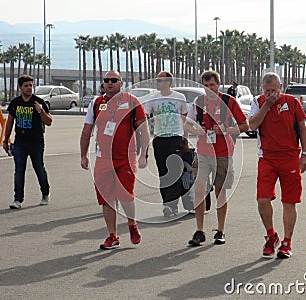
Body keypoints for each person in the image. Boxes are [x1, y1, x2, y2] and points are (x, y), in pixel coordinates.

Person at [80, 70, 150, 250]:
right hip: (103, 159)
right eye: (106, 80)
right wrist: (83, 155)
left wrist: (144, 154)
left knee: (125, 195)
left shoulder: (132, 102)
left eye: (113, 80)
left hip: (126, 157)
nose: (109, 83)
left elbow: (144, 130)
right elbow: (87, 130)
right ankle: (112, 236)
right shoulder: (97, 103)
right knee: (106, 198)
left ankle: (132, 224)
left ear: (121, 83)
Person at [248, 72, 306, 259]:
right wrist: (266, 104)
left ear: (280, 87)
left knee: (289, 201)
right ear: (262, 89)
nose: (270, 93)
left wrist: (304, 154)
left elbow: (302, 128)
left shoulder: (291, 102)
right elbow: (252, 126)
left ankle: (286, 242)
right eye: (267, 91)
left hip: (290, 157)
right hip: (267, 157)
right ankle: (270, 236)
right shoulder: (258, 102)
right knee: (262, 200)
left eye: (274, 90)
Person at [185, 70, 249, 246]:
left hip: (223, 153)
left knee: (220, 192)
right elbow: (187, 124)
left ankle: (220, 230)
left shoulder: (229, 101)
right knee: (199, 190)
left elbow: (245, 125)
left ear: (218, 85)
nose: (208, 89)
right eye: (205, 86)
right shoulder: (198, 102)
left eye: (212, 85)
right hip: (203, 153)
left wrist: (226, 130)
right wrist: (194, 130)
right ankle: (199, 230)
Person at [3, 75, 52, 209]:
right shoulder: (15, 103)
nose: (29, 88)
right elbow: (9, 122)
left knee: (39, 169)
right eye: (26, 86)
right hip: (20, 142)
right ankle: (18, 199)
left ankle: (45, 193)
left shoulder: (38, 102)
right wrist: (5, 140)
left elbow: (49, 122)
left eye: (31, 85)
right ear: (20, 87)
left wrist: (40, 110)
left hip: (36, 142)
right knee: (19, 170)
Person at [144, 71, 188, 217]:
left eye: (161, 80)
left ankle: (171, 205)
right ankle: (167, 205)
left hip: (175, 138)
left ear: (168, 82)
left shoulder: (179, 98)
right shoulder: (153, 98)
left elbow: (185, 120)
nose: (157, 83)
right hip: (159, 139)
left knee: (175, 172)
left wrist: (185, 140)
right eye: (157, 80)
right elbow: (145, 117)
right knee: (163, 174)